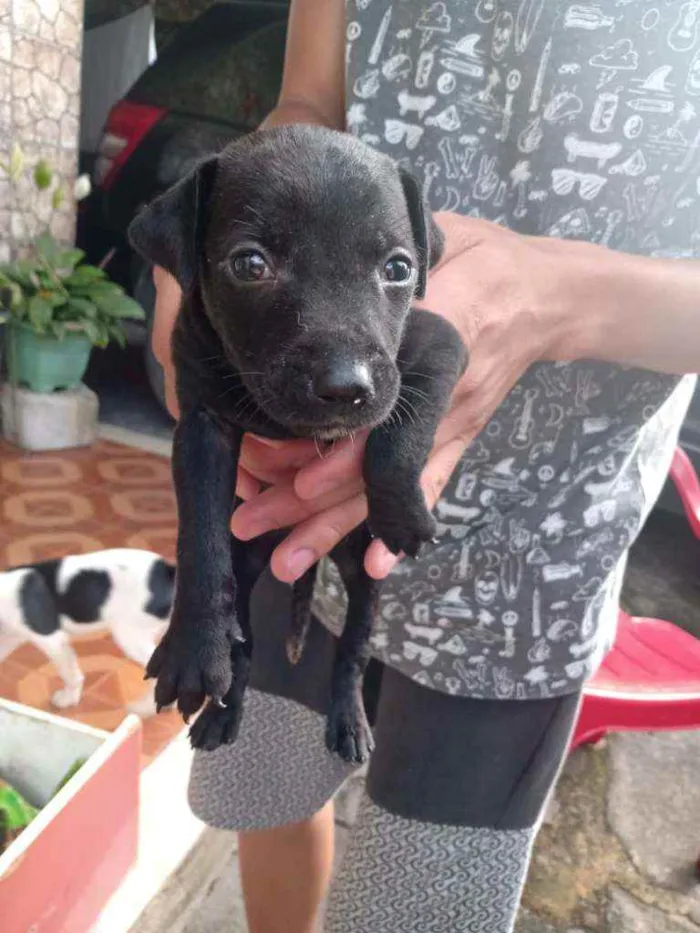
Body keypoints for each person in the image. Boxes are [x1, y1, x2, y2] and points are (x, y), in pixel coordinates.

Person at [152, 2, 700, 930]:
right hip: (292, 490)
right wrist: (214, 255)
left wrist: (563, 301)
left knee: (420, 903)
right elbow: (308, 105)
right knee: (268, 789)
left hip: (531, 562)